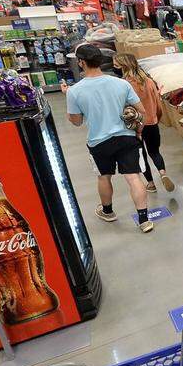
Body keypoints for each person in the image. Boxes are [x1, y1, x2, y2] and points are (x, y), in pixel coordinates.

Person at [65, 44, 154, 233]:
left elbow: (77, 122)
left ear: (81, 63)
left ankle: (108, 211)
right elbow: (141, 112)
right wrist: (137, 131)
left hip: (98, 142)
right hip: (126, 137)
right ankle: (144, 220)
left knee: (104, 176)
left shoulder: (74, 91)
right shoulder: (121, 83)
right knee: (133, 177)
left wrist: (69, 103)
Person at [113, 53, 175, 194]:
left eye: (116, 65)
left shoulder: (123, 85)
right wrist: (156, 118)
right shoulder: (148, 81)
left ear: (123, 66)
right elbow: (158, 105)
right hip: (152, 123)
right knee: (155, 151)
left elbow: (122, 107)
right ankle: (163, 172)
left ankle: (151, 183)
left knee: (141, 155)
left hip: (135, 126)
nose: (114, 67)